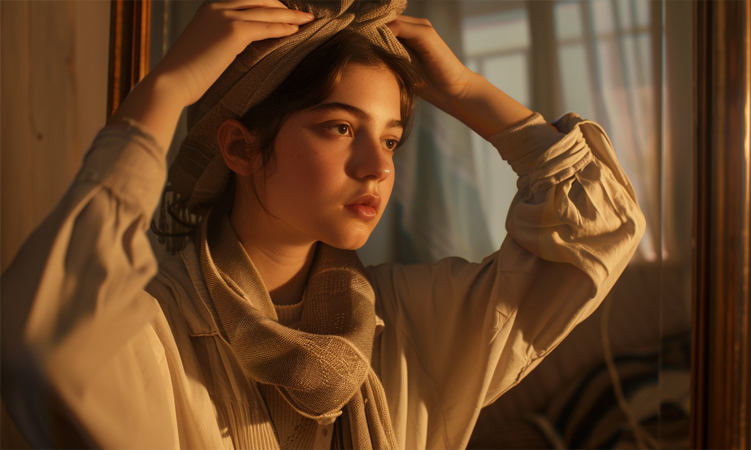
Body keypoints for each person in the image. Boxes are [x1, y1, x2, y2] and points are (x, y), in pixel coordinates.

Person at [0, 0, 645, 448]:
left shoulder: (412, 320)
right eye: (339, 128)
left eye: (390, 139)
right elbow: (41, 344)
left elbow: (597, 229)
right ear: (241, 148)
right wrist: (166, 89)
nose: (376, 168)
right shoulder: (157, 331)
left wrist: (468, 88)